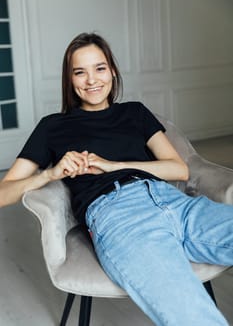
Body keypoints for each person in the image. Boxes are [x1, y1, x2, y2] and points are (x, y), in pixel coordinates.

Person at [0, 32, 232, 326]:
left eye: (99, 68)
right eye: (79, 72)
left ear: (112, 70)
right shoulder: (52, 127)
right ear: (69, 80)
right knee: (191, 315)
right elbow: (3, 192)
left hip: (176, 203)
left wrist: (113, 165)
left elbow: (179, 169)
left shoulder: (134, 112)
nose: (91, 80)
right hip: (118, 217)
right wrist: (50, 173)